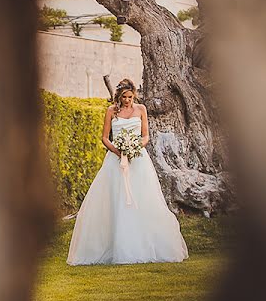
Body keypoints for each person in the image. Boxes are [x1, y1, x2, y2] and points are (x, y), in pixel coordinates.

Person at [66, 78, 188, 265]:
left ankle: (143, 244)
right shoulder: (110, 111)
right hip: (115, 161)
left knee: (143, 199)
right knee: (117, 199)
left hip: (138, 160)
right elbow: (105, 138)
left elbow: (146, 135)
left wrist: (135, 148)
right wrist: (119, 151)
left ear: (134, 96)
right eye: (124, 97)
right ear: (119, 96)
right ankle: (116, 245)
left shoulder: (141, 109)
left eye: (130, 97)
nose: (128, 100)